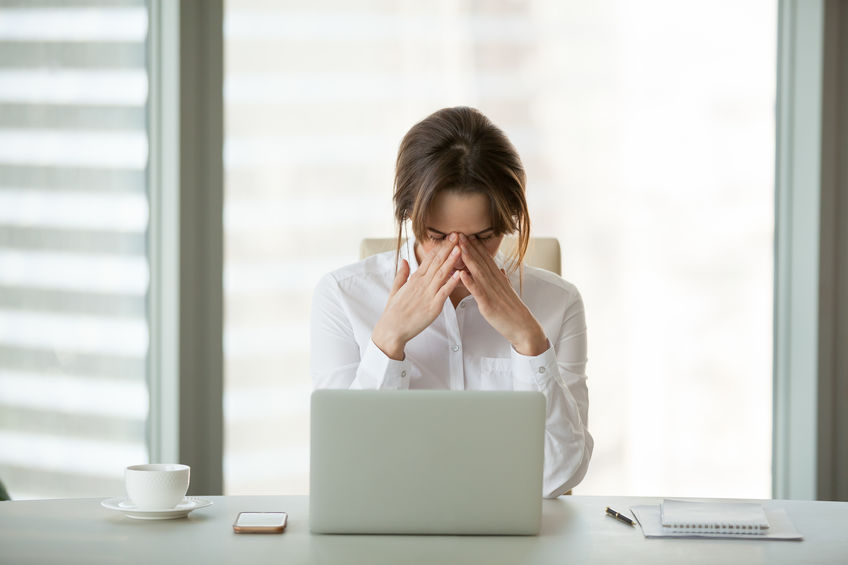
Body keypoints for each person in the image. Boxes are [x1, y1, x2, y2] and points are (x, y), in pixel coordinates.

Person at [310, 106, 592, 497]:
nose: (458, 254)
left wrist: (529, 342)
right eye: (438, 235)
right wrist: (388, 341)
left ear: (508, 222)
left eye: (481, 237)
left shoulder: (559, 304)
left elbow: (559, 477)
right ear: (409, 214)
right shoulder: (343, 297)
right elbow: (344, 470)